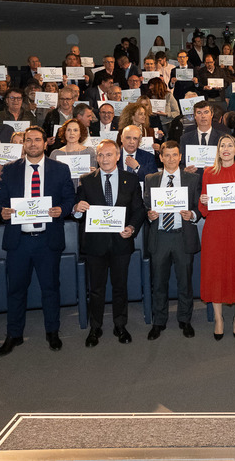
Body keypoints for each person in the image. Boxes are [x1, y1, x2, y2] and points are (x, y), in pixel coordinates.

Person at [0, 126, 76, 356]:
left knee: (50, 288)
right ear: (23, 144)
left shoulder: (60, 169)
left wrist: (62, 209)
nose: (32, 144)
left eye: (37, 140)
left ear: (45, 143)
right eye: (28, 140)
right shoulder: (10, 170)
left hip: (47, 240)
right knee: (16, 289)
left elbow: (70, 197)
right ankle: (14, 334)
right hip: (18, 240)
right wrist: (3, 210)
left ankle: (52, 331)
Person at [73, 139, 147, 347]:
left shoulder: (130, 180)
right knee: (95, 289)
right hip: (95, 245)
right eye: (100, 155)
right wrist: (77, 208)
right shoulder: (86, 180)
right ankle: (95, 327)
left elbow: (139, 210)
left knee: (120, 287)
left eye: (108, 154)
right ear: (96, 158)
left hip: (121, 243)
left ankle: (120, 325)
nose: (104, 159)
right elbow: (77, 211)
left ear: (117, 156)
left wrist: (132, 228)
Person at [198, 135, 235, 339]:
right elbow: (203, 210)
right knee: (216, 271)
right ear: (218, 150)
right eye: (222, 145)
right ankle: (219, 318)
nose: (226, 148)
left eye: (230, 145)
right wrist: (203, 200)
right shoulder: (208, 173)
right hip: (215, 229)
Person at [143, 141, 202, 339]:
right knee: (158, 282)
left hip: (181, 235)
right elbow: (144, 205)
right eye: (166, 155)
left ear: (180, 157)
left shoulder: (192, 179)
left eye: (174, 155)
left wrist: (192, 215)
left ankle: (185, 320)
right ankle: (158, 321)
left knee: (185, 281)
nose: (170, 159)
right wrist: (149, 214)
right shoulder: (151, 179)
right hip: (159, 236)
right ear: (160, 157)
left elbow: (199, 207)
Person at [49, 118, 97, 187]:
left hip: (84, 193)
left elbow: (93, 178)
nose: (72, 133)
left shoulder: (89, 152)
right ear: (64, 133)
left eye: (75, 130)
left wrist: (94, 173)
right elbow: (51, 177)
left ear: (80, 133)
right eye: (69, 130)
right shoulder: (55, 154)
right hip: (62, 193)